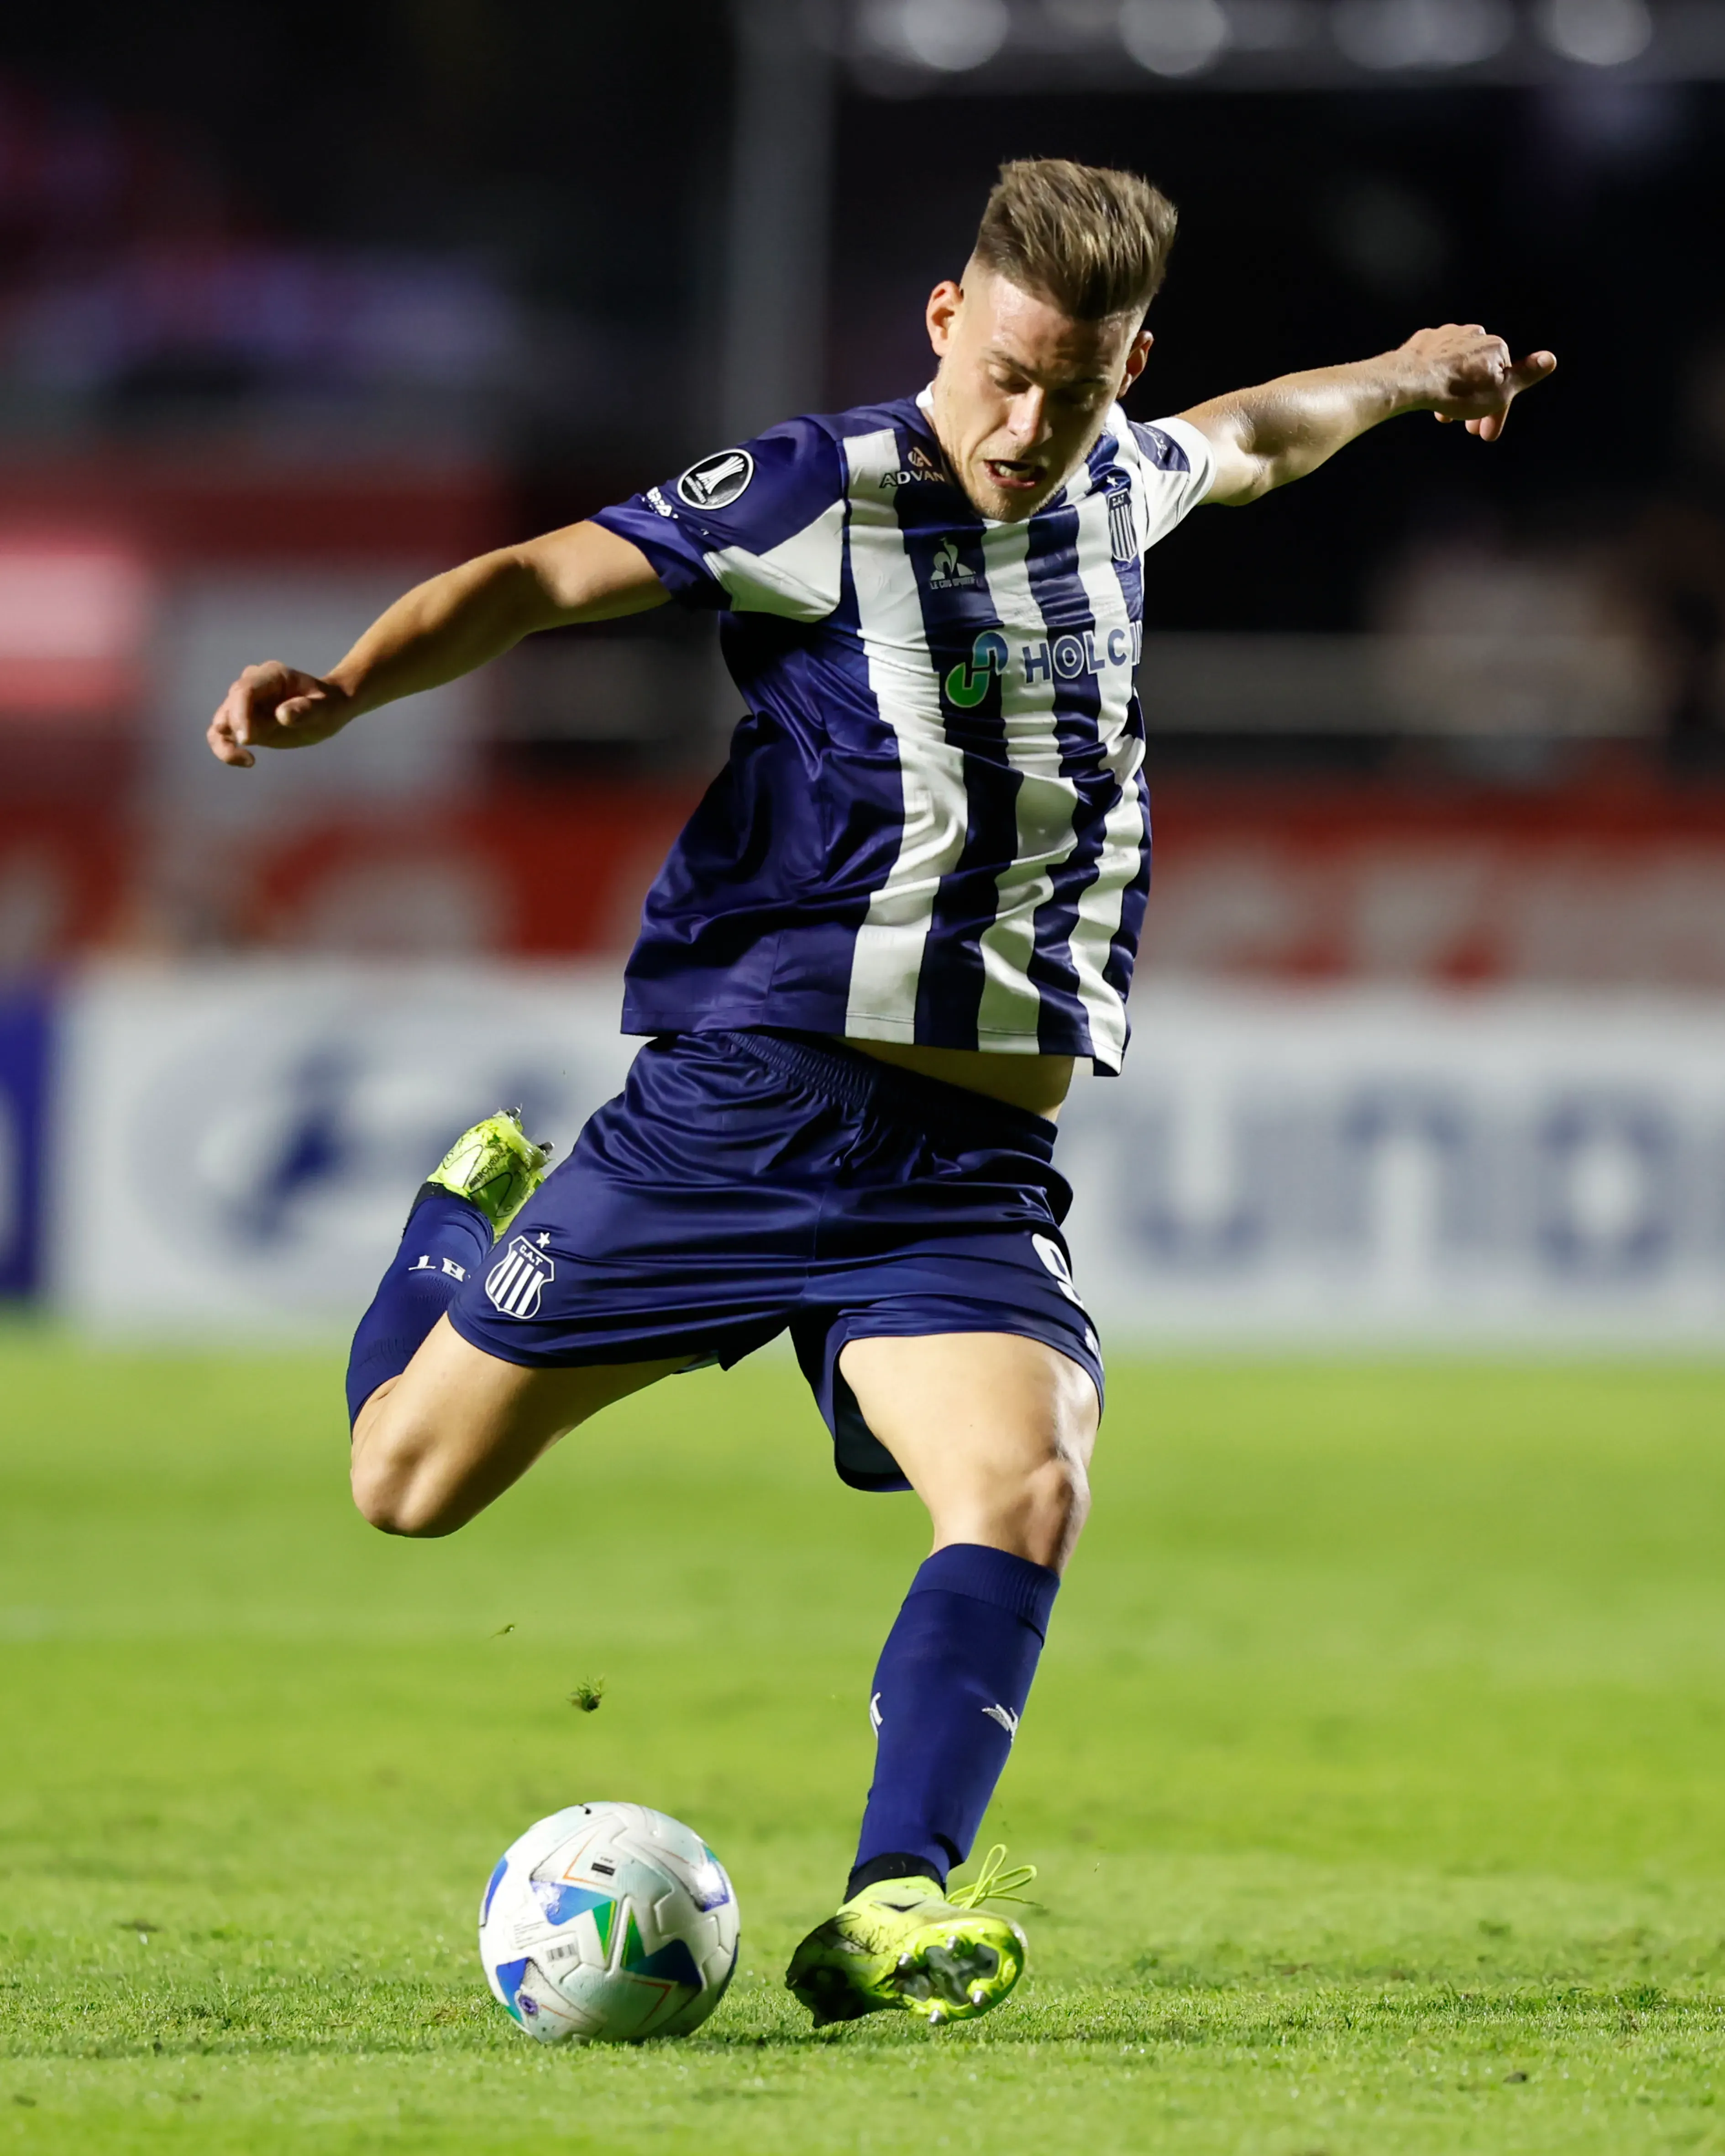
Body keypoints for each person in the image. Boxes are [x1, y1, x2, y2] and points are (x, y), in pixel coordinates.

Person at [207, 158, 1554, 2030]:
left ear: (1119, 369)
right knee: (402, 1483)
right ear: (944, 319)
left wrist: (1416, 371)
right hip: (744, 1107)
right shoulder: (814, 489)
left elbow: (1256, 433)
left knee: (1024, 1481)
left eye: (1068, 390)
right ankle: (454, 1222)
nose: (1022, 423)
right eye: (1000, 370)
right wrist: (350, 688)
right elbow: (534, 579)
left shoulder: (1116, 483)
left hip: (966, 1167)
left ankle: (893, 1901)